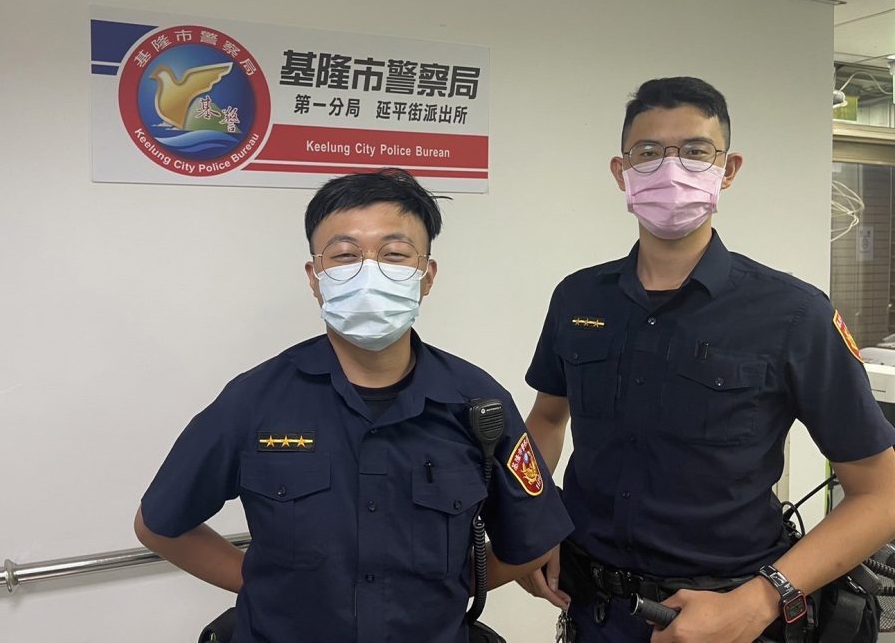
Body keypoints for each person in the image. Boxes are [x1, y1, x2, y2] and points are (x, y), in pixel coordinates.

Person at [517, 77, 895, 642]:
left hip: (729, 616)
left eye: (695, 151)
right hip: (593, 608)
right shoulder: (579, 298)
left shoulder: (794, 314)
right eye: (648, 152)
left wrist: (762, 599)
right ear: (622, 172)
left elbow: (881, 494)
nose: (671, 170)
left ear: (728, 168)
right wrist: (532, 522)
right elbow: (548, 419)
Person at [135, 168, 573, 643]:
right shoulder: (255, 400)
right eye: (345, 255)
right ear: (315, 278)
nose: (369, 272)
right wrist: (264, 585)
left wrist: (449, 589)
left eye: (394, 254)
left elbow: (535, 536)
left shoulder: (478, 403)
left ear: (426, 276)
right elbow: (159, 524)